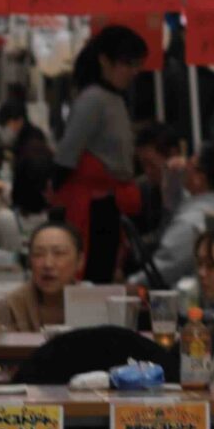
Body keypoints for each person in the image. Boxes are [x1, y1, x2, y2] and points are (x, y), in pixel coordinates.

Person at [54, 25, 148, 281]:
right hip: (94, 208)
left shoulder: (112, 98)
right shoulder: (93, 99)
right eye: (127, 64)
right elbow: (66, 156)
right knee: (93, 282)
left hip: (108, 204)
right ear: (105, 61)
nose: (133, 71)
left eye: (137, 64)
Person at [149, 143, 214, 286]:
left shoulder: (190, 221)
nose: (184, 168)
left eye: (189, 165)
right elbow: (173, 205)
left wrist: (130, 283)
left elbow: (159, 271)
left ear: (200, 178)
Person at [0, 221, 82, 332]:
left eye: (59, 253)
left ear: (80, 261)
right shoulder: (11, 306)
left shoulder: (94, 303)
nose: (48, 264)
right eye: (38, 254)